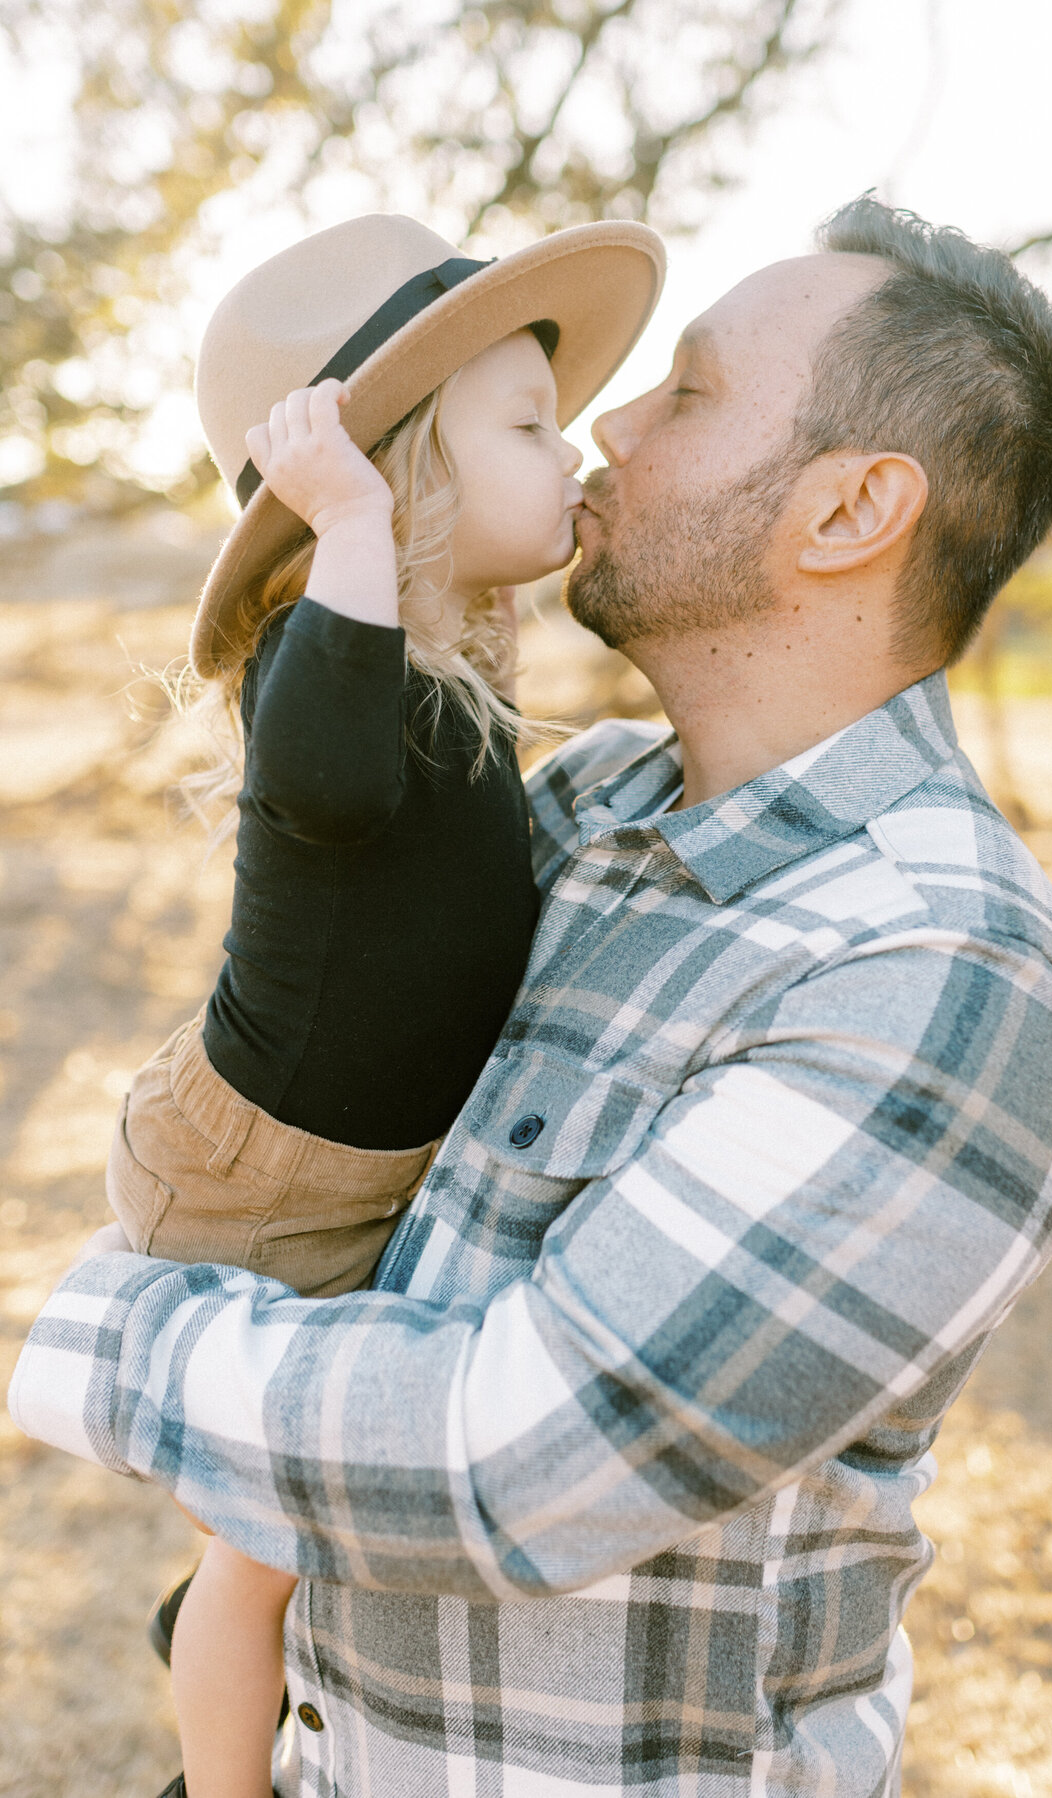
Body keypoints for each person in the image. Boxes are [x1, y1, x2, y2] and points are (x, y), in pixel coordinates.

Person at [10, 197, 1052, 1798]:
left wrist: (76, 1326)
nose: (610, 422)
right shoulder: (586, 808)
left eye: (693, 393)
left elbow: (506, 1460)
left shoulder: (940, 965)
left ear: (853, 507)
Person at [35, 210, 664, 1798]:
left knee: (304, 1534)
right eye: (528, 425)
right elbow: (315, 782)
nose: (572, 440)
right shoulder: (326, 673)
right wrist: (354, 537)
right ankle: (219, 1782)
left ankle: (243, 1648)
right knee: (258, 1555)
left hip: (359, 1172)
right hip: (254, 1176)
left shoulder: (448, 661)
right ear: (381, 477)